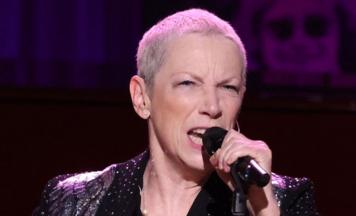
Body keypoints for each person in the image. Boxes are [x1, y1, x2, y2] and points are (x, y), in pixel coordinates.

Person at [33, 8, 319, 216]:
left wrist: (262, 205)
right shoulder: (73, 202)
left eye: (228, 88)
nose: (212, 106)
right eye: (188, 83)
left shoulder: (284, 199)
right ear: (142, 97)